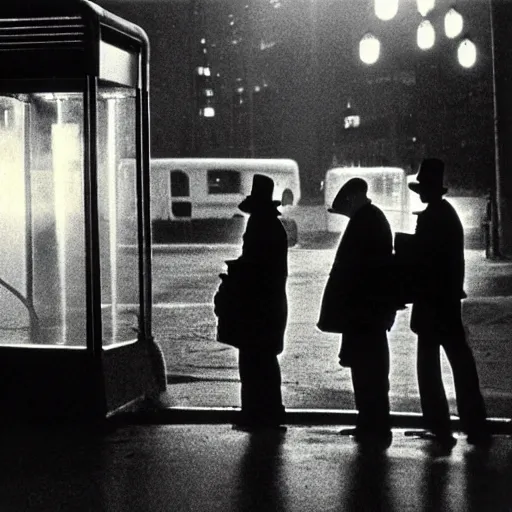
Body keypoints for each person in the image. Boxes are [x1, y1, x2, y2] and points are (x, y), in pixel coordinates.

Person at [407, 157, 490, 448]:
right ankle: (474, 421)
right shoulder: (446, 214)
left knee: (428, 367)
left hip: (432, 302)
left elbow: (421, 260)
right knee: (460, 361)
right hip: (447, 300)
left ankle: (438, 424)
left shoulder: (432, 217)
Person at [317, 178, 397, 448]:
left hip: (364, 312)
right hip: (368, 312)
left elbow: (358, 271)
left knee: (368, 372)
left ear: (352, 200)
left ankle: (372, 424)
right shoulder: (371, 219)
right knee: (370, 371)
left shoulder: (366, 222)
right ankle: (371, 422)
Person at [216, 174, 288, 432]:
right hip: (269, 306)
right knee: (265, 360)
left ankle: (256, 413)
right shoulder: (271, 225)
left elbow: (255, 266)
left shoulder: (259, 225)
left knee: (253, 362)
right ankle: (269, 412)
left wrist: (234, 274)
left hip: (258, 308)